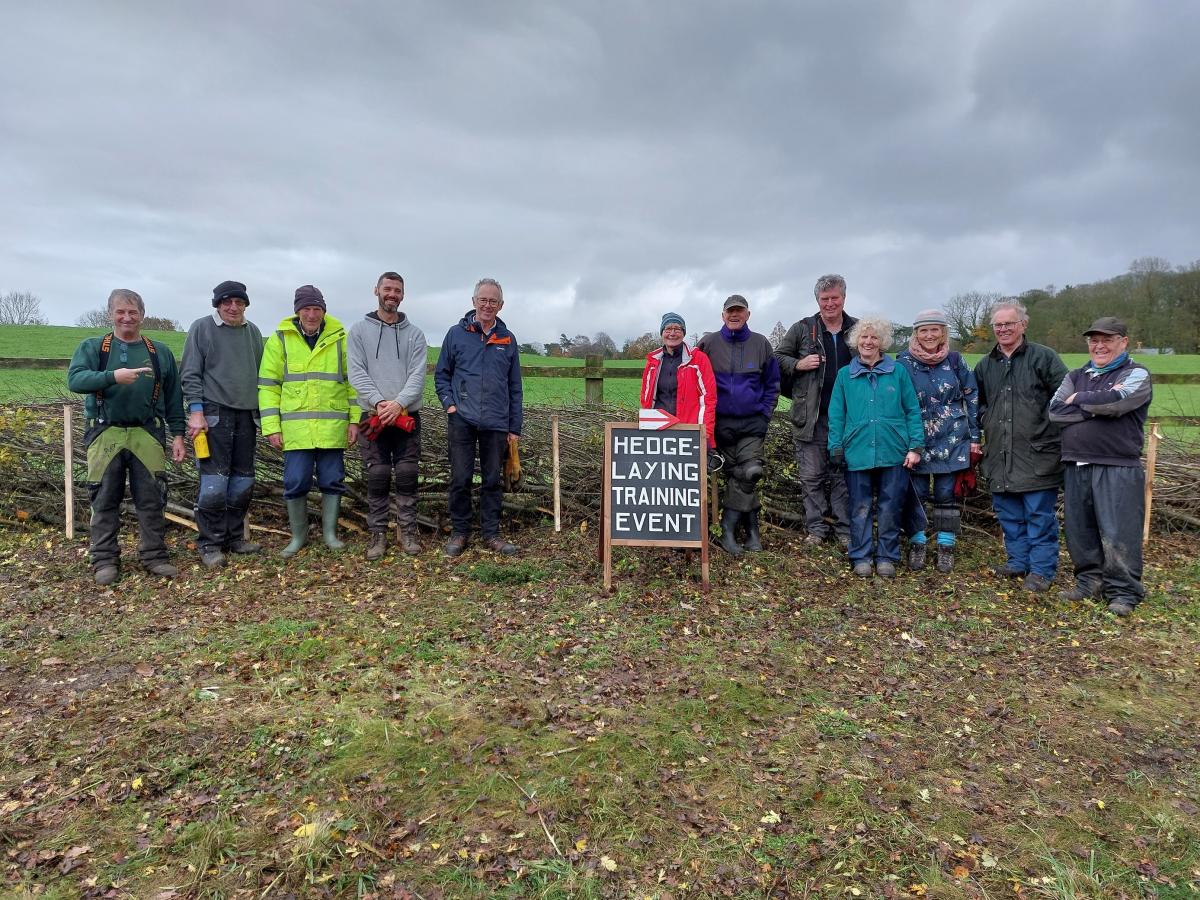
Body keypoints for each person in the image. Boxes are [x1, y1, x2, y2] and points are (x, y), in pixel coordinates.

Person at [67, 289, 186, 585]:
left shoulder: (160, 352)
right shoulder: (94, 348)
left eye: (133, 312)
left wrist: (179, 435)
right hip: (104, 431)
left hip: (147, 431)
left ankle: (154, 556)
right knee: (105, 497)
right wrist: (112, 376)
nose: (127, 317)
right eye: (120, 312)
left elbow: (174, 398)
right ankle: (104, 560)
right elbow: (75, 379)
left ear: (142, 315)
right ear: (110, 314)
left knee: (152, 498)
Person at [1049, 317, 1153, 616]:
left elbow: (1119, 402)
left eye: (1107, 339)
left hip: (1117, 464)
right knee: (1080, 530)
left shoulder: (1136, 373)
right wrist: (1097, 408)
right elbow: (1056, 411)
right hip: (1076, 463)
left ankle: (1123, 592)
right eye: (1094, 340)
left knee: (1119, 530)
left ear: (1123, 341)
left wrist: (1079, 399)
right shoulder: (1077, 373)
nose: (1099, 345)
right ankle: (1089, 582)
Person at [974, 299, 1069, 593]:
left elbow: (1066, 397)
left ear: (1023, 325)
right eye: (998, 325)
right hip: (1000, 454)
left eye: (1009, 324)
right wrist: (986, 418)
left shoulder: (1044, 358)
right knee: (1009, 513)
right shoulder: (985, 364)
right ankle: (1018, 561)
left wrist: (1046, 424)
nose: (1003, 329)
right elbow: (976, 403)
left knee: (1038, 515)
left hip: (1038, 452)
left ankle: (1041, 570)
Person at [258, 285, 358, 557]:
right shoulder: (280, 340)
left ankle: (330, 535)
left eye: (317, 309)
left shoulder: (341, 338)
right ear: (297, 311)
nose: (312, 314)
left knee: (332, 480)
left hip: (332, 428)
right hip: (296, 430)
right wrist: (271, 427)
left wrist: (354, 421)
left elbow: (353, 384)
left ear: (324, 311)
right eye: (306, 309)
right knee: (296, 480)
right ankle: (298, 537)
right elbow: (268, 386)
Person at [827, 317, 925, 578]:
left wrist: (915, 446)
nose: (868, 342)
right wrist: (835, 446)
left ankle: (886, 556)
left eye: (874, 337)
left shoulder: (898, 372)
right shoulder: (845, 375)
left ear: (882, 342)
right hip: (856, 451)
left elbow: (912, 410)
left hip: (893, 450)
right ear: (856, 341)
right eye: (863, 337)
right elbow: (836, 414)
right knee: (859, 506)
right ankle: (860, 556)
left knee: (890, 506)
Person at [434, 277, 523, 558]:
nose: (487, 305)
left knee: (492, 480)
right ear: (473, 302)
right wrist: (450, 405)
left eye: (493, 301)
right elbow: (442, 375)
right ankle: (460, 533)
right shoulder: (455, 334)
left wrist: (514, 427)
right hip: (462, 419)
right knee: (460, 478)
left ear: (501, 305)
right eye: (482, 300)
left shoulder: (507, 339)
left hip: (496, 421)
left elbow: (515, 387)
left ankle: (491, 534)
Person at [180, 280, 265, 568]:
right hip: (213, 414)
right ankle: (210, 542)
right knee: (214, 482)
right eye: (227, 302)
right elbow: (190, 373)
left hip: (246, 414)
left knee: (243, 480)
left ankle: (234, 537)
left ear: (245, 305)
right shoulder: (202, 328)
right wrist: (196, 411)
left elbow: (260, 375)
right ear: (217, 304)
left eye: (239, 302)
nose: (233, 307)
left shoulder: (253, 332)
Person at [774, 274, 858, 548]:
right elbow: (777, 358)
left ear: (844, 298)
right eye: (825, 299)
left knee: (843, 476)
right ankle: (817, 530)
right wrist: (799, 364)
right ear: (817, 301)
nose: (830, 303)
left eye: (835, 298)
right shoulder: (802, 329)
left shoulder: (857, 329)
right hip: (811, 417)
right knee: (812, 476)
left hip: (849, 418)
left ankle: (845, 530)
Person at [348, 272, 428, 560]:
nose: (391, 294)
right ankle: (378, 535)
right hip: (374, 416)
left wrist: (398, 404)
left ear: (403, 295)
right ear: (376, 291)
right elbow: (357, 372)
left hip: (407, 417)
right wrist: (381, 402)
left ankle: (408, 533)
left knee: (407, 475)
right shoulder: (358, 331)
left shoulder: (415, 335)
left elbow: (418, 375)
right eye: (387, 289)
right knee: (377, 475)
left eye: (397, 290)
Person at [896, 309, 980, 572]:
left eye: (935, 330)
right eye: (924, 330)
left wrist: (975, 438)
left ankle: (946, 545)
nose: (929, 335)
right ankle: (917, 543)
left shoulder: (955, 361)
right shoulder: (903, 362)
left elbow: (972, 398)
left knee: (946, 494)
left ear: (943, 332)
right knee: (917, 494)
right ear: (916, 333)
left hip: (953, 439)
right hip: (917, 439)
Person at [697, 295, 780, 555]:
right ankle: (753, 534)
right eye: (730, 311)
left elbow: (773, 383)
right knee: (738, 477)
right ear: (722, 315)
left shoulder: (761, 344)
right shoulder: (708, 344)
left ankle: (728, 530)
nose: (734, 315)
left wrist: (765, 413)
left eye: (739, 311)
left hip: (751, 423)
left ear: (748, 314)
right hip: (719, 423)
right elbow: (693, 376)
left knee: (751, 472)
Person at [639, 312, 717, 450]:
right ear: (662, 332)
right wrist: (645, 428)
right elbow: (646, 399)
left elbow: (708, 399)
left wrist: (705, 433)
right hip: (658, 429)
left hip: (688, 430)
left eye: (677, 329)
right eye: (668, 329)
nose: (672, 333)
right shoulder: (653, 362)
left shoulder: (698, 359)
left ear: (684, 333)